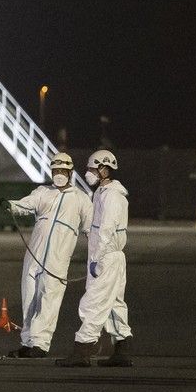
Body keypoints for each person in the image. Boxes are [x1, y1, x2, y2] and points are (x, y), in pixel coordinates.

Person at [3, 152, 93, 358]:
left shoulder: (81, 199)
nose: (58, 174)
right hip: (34, 253)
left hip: (58, 257)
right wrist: (10, 204)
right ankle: (27, 342)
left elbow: (91, 230)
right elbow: (25, 204)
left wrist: (97, 255)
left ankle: (41, 344)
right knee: (29, 297)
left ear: (70, 172)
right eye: (55, 171)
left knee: (48, 298)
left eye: (62, 171)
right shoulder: (42, 192)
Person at [57, 150, 133, 367]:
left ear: (103, 169)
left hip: (106, 257)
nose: (88, 173)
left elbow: (107, 229)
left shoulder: (111, 196)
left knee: (93, 303)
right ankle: (122, 349)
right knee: (115, 304)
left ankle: (82, 350)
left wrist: (97, 259)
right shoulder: (103, 192)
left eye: (91, 169)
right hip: (110, 257)